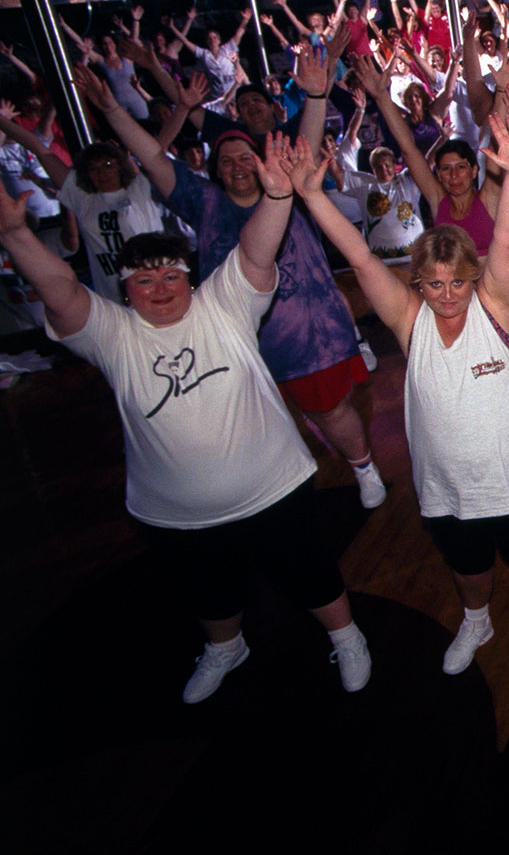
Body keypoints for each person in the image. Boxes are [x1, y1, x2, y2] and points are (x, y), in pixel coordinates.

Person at [3, 131, 371, 703]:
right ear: (126, 291)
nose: (160, 288)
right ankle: (227, 647)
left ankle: (347, 637)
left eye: (171, 275)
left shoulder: (221, 304)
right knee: (209, 593)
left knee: (312, 573)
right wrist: (16, 235)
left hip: (273, 487)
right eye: (144, 280)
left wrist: (276, 199)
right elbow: (60, 289)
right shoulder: (111, 334)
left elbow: (253, 254)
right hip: (173, 512)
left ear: (188, 277)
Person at [289, 112, 509, 676]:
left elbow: (503, 235)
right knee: (468, 568)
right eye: (434, 283)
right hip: (447, 480)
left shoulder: (495, 305)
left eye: (457, 281)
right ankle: (478, 619)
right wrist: (312, 196)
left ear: (473, 278)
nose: (447, 294)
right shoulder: (408, 319)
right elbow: (360, 256)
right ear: (418, 284)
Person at [96, 38, 388, 510]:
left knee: (332, 411)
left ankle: (364, 467)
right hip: (233, 338)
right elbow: (152, 159)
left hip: (305, 332)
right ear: (215, 168)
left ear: (261, 162)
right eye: (225, 160)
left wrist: (315, 97)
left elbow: (308, 146)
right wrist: (113, 111)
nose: (235, 167)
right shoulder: (202, 200)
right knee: (250, 421)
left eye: (243, 158)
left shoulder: (286, 189)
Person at [353, 41, 509, 473]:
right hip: (454, 304)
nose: (453, 175)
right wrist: (381, 98)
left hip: (497, 301)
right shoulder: (436, 198)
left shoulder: (489, 197)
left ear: (473, 170)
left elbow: (501, 150)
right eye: (446, 169)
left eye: (461, 167)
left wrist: (504, 98)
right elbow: (410, 150)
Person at [0, 80, 166, 302]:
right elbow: (39, 149)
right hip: (114, 303)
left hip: (159, 292)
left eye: (108, 165)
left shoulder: (138, 190)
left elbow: (157, 150)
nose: (102, 172)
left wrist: (181, 108)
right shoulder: (82, 198)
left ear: (120, 165)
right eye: (94, 168)